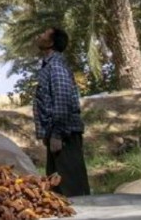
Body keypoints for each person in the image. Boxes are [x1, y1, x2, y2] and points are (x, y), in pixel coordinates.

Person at [33, 27, 90, 197]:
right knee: (56, 187)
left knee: (71, 187)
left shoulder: (56, 66)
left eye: (43, 33)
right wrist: (47, 134)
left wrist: (57, 134)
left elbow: (62, 99)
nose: (39, 34)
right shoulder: (48, 66)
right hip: (56, 134)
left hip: (65, 135)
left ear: (51, 42)